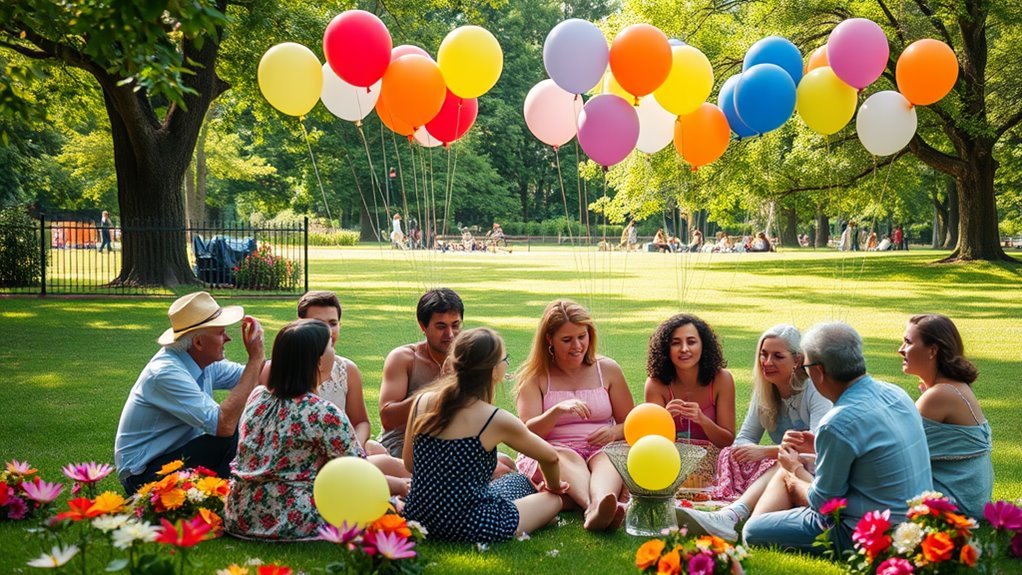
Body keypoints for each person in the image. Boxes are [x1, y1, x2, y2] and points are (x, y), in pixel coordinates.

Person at [740, 322, 932, 554]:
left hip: (865, 533)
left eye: (807, 367)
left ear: (819, 371)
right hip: (916, 524)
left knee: (753, 531)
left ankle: (741, 519)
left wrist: (794, 471)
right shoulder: (896, 393)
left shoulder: (838, 422)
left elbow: (823, 504)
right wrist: (818, 447)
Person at [403, 328, 567, 542]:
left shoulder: (422, 402)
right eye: (504, 359)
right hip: (473, 525)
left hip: (419, 518)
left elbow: (409, 464)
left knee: (519, 481)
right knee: (554, 502)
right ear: (494, 370)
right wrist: (553, 487)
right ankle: (541, 515)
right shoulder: (495, 419)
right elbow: (550, 457)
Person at [675, 325, 833, 541]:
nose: (768, 363)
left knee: (782, 461)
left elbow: (816, 445)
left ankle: (730, 515)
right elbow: (744, 438)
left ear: (797, 360)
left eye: (778, 356)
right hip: (784, 465)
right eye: (763, 354)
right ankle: (732, 510)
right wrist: (747, 451)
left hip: (812, 469)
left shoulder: (814, 390)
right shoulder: (765, 391)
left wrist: (765, 452)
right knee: (732, 453)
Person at [224, 319, 365, 540]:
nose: (335, 352)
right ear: (318, 362)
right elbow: (357, 472)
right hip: (293, 519)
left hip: (240, 514)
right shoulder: (323, 412)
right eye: (331, 347)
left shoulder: (257, 397)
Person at [115, 292, 264, 494]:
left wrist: (300, 353)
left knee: (239, 428)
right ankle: (228, 502)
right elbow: (223, 425)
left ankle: (229, 500)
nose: (228, 338)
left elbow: (257, 375)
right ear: (199, 343)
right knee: (233, 434)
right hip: (143, 476)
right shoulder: (166, 372)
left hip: (173, 459)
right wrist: (255, 358)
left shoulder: (201, 360)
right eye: (221, 332)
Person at [515, 300, 634, 531]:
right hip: (556, 448)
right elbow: (528, 432)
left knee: (609, 460)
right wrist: (558, 409)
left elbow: (631, 421)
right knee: (562, 457)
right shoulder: (536, 377)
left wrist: (612, 432)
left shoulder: (607, 369)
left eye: (582, 336)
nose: (577, 346)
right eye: (567, 340)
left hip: (602, 448)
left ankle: (601, 503)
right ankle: (594, 508)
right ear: (549, 339)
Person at [899, 314, 992, 519]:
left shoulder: (939, 395)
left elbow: (897, 456)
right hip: (970, 501)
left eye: (907, 342)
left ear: (932, 350)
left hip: (955, 507)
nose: (900, 349)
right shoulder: (953, 387)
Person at [379, 289, 464, 458]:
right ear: (422, 326)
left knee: (504, 463)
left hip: (452, 443)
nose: (450, 334)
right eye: (441, 326)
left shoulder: (466, 357)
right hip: (404, 445)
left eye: (455, 325)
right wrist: (441, 386)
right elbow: (388, 418)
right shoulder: (404, 358)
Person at [644, 314, 736, 449]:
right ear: (665, 349)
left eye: (691, 342)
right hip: (670, 458)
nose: (684, 349)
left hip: (713, 459)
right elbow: (653, 442)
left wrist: (702, 420)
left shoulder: (722, 380)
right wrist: (664, 419)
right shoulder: (655, 384)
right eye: (675, 343)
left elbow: (727, 441)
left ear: (703, 345)